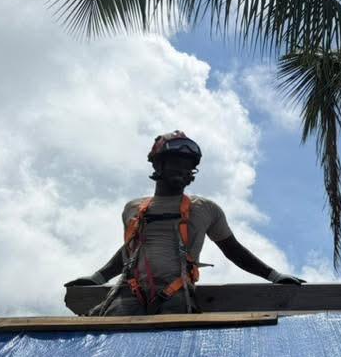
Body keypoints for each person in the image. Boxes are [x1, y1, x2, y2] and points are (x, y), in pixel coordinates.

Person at [66, 131, 304, 315]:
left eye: (189, 165)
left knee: (169, 347)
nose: (184, 170)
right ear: (158, 165)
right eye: (176, 162)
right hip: (130, 292)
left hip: (175, 294)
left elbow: (232, 249)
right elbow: (130, 253)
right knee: (114, 342)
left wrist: (274, 275)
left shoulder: (205, 209)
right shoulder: (133, 209)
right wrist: (97, 278)